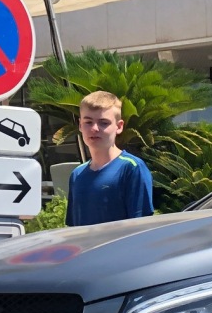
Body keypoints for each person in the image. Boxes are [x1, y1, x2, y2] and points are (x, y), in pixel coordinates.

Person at [65, 90, 155, 226]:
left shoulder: (132, 168)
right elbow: (73, 230)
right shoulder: (77, 175)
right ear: (80, 125)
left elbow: (141, 228)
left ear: (119, 127)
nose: (94, 128)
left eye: (103, 123)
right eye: (88, 122)